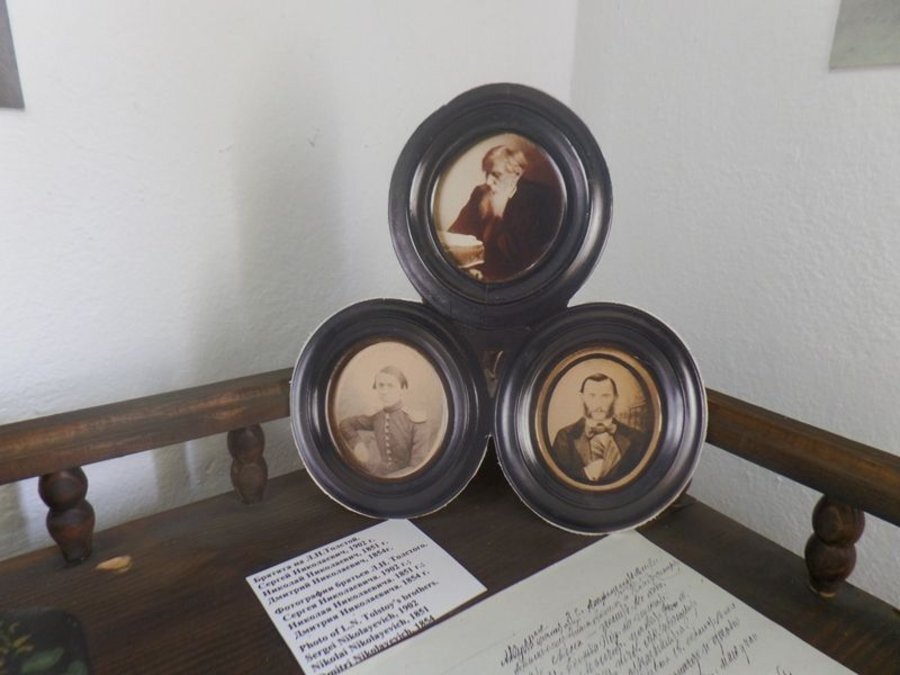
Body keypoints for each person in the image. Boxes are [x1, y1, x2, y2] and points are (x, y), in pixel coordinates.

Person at [447, 144, 559, 282]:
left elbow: (529, 257)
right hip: (475, 275)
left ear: (516, 173)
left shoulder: (538, 197)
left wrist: (498, 215)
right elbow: (457, 232)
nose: (488, 181)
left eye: (496, 174)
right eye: (487, 173)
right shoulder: (480, 193)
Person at [549, 373, 647, 483]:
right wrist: (586, 474)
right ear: (582, 397)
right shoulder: (564, 437)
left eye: (605, 396)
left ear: (615, 398)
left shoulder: (636, 438)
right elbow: (555, 481)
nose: (598, 403)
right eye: (592, 396)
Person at [337, 366, 431, 477]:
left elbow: (417, 467)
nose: (384, 391)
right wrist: (357, 444)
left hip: (407, 480)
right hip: (380, 474)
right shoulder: (377, 416)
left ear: (402, 389)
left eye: (391, 386)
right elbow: (345, 424)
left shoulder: (416, 422)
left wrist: (387, 480)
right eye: (381, 385)